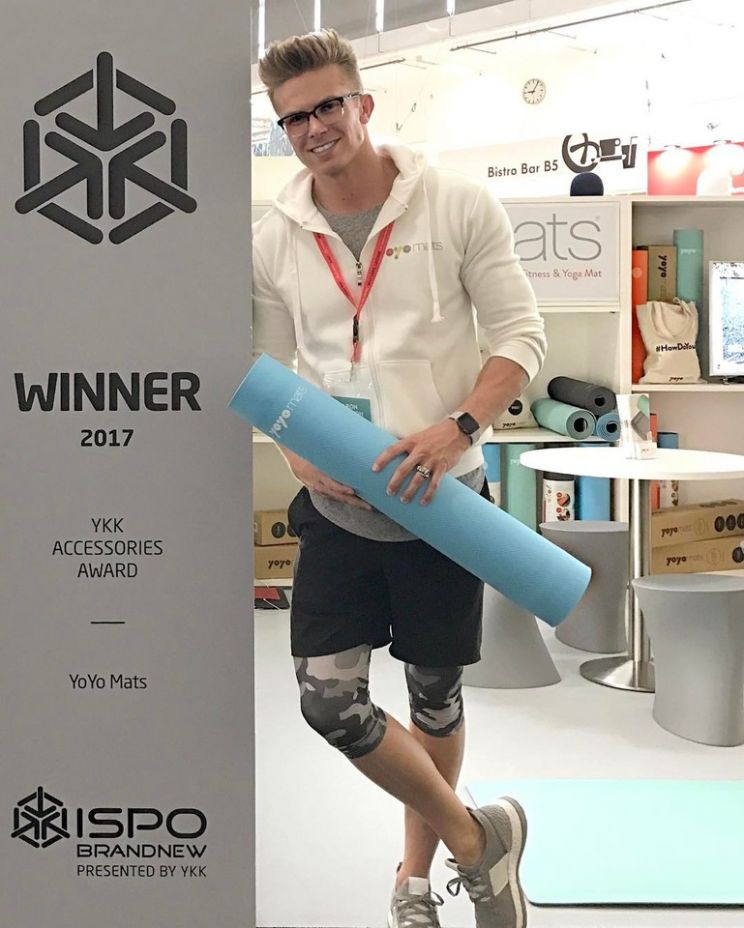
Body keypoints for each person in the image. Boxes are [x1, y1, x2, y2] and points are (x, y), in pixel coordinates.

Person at [253, 28, 546, 928]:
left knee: (433, 699)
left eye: (327, 107)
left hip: (444, 505)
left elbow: (520, 337)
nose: (313, 129)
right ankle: (476, 840)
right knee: (329, 702)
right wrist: (296, 454)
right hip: (337, 508)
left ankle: (414, 882)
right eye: (293, 118)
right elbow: (265, 372)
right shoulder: (275, 235)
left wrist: (461, 426)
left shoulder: (456, 203)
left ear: (364, 104)